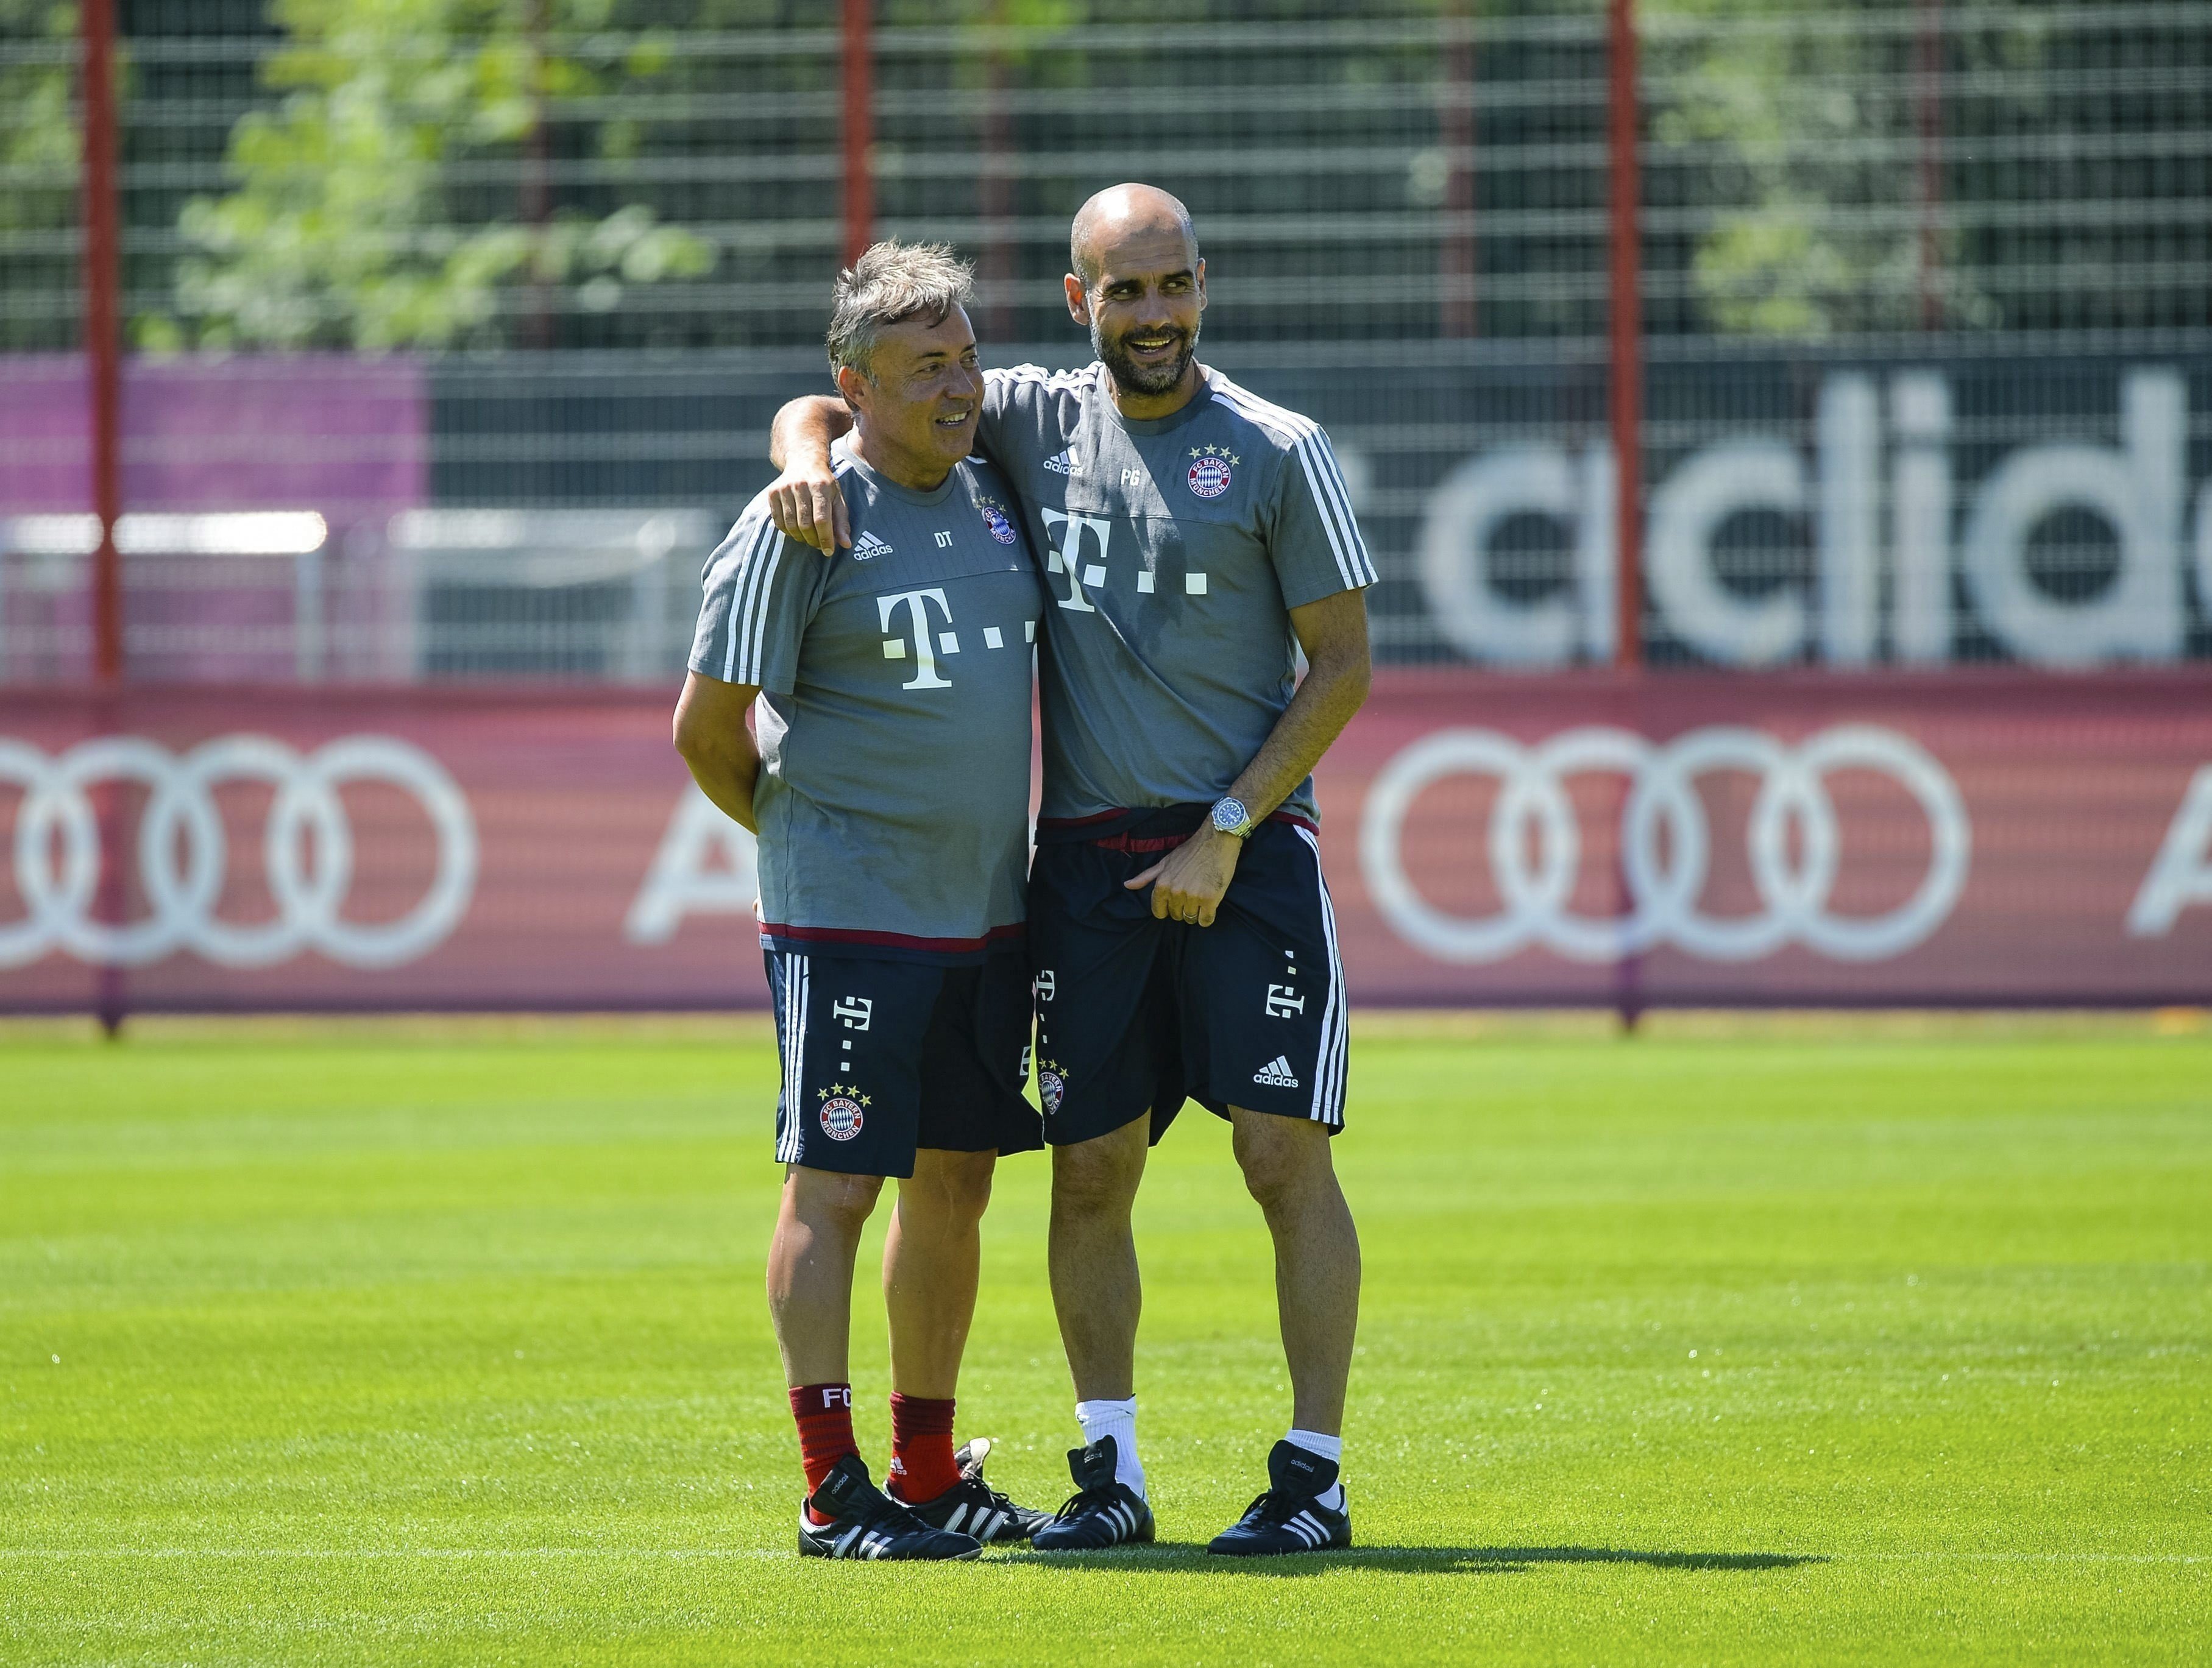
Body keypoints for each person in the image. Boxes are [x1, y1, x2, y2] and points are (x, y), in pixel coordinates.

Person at [764, 185, 1374, 1557]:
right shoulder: (1024, 414)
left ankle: (1315, 1477)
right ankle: (1111, 1472)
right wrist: (800, 438)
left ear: (1205, 286)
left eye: (1176, 287)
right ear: (1078, 298)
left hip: (1248, 849)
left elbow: (1344, 667)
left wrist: (1227, 824)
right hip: (1088, 860)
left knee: (1284, 1156)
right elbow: (858, 398)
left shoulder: (1280, 448)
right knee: (1089, 1170)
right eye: (1127, 291)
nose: (1155, 316)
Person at [673, 241, 1053, 1561]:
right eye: (925, 369)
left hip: (987, 915)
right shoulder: (803, 518)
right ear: (859, 382)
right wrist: (811, 846)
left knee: (956, 1182)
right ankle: (832, 1488)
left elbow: (831, 408)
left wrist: (810, 428)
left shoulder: (994, 480)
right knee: (834, 1185)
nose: (959, 389)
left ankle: (932, 1469)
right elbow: (707, 731)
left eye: (964, 358)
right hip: (851, 920)